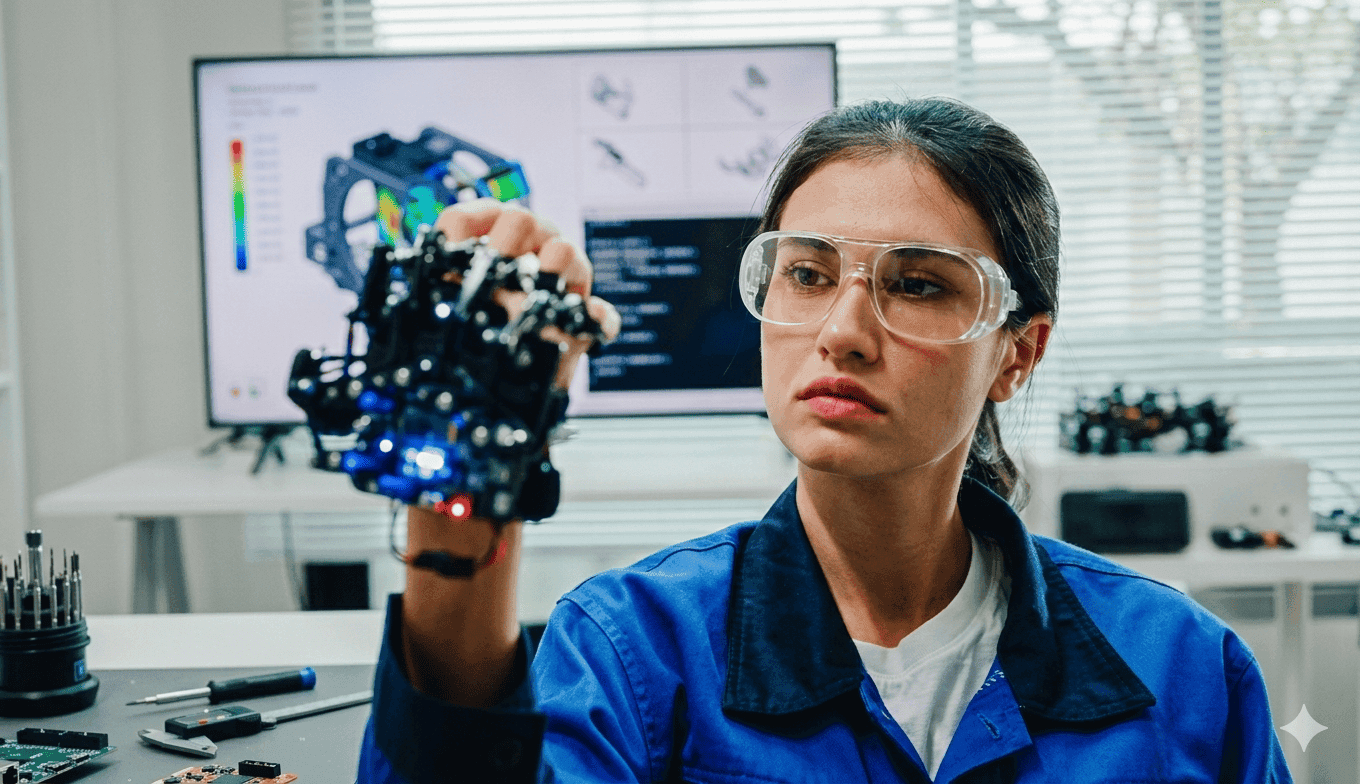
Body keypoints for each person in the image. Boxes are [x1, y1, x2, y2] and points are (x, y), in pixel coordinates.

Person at [356, 98, 1292, 783]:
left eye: (919, 284)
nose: (842, 330)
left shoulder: (1184, 672)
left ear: (1017, 352)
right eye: (806, 272)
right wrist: (471, 474)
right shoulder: (636, 649)